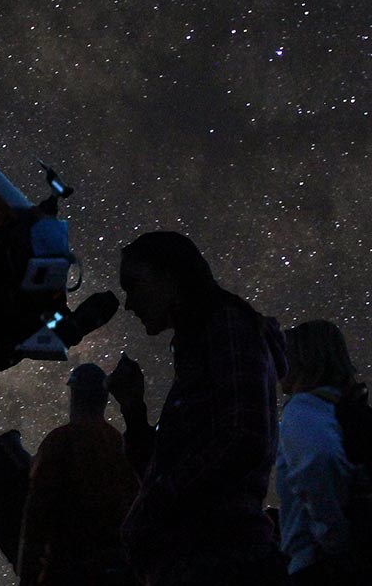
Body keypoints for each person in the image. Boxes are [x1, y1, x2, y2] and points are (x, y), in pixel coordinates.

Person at [108, 231, 289, 586]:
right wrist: (133, 409)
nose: (128, 303)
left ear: (171, 276)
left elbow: (245, 437)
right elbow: (164, 470)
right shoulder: (203, 344)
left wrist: (162, 501)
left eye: (134, 284)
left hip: (219, 560)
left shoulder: (227, 327)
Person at [18, 363, 139, 586]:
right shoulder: (118, 443)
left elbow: (37, 515)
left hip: (67, 571)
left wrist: (28, 576)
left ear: (74, 396)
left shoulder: (60, 441)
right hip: (116, 570)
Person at [276, 320, 372, 585]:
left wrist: (335, 540)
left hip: (317, 564)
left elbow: (318, 463)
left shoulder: (304, 408)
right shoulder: (346, 410)